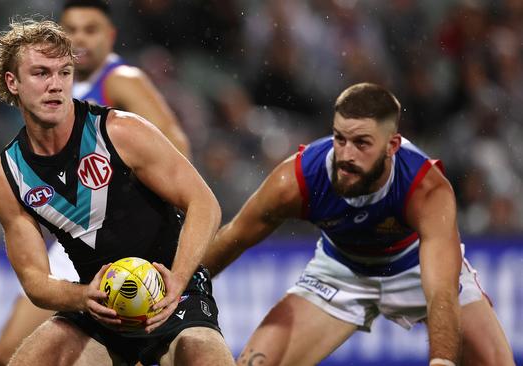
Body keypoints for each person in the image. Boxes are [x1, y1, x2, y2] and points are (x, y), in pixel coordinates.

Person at [0, 1, 191, 365]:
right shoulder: (57, 86)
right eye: (73, 29)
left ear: (111, 36)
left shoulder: (119, 80)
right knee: (8, 352)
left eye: (91, 29)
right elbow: (47, 164)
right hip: (80, 235)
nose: (80, 38)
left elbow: (173, 145)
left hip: (122, 233)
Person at [202, 83, 514, 365]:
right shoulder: (296, 180)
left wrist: (442, 363)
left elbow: (441, 292)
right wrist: (180, 291)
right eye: (340, 139)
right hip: (341, 271)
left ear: (392, 146)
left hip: (413, 267)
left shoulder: (425, 188)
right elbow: (235, 236)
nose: (346, 155)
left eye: (362, 143)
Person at [0, 18, 234, 366]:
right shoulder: (6, 176)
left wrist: (177, 280)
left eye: (64, 72)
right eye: (41, 73)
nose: (55, 85)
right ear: (13, 82)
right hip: (101, 307)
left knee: (203, 352)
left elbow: (204, 204)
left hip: (176, 298)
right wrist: (84, 296)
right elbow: (35, 280)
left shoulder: (121, 131)